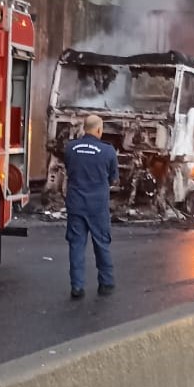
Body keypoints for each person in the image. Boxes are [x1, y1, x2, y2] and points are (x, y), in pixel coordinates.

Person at [64, 114, 119, 298]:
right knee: (102, 243)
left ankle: (77, 287)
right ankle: (106, 283)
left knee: (76, 245)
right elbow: (113, 179)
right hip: (97, 206)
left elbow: (68, 170)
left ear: (84, 128)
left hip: (76, 204)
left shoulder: (70, 148)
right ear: (99, 130)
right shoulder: (108, 151)